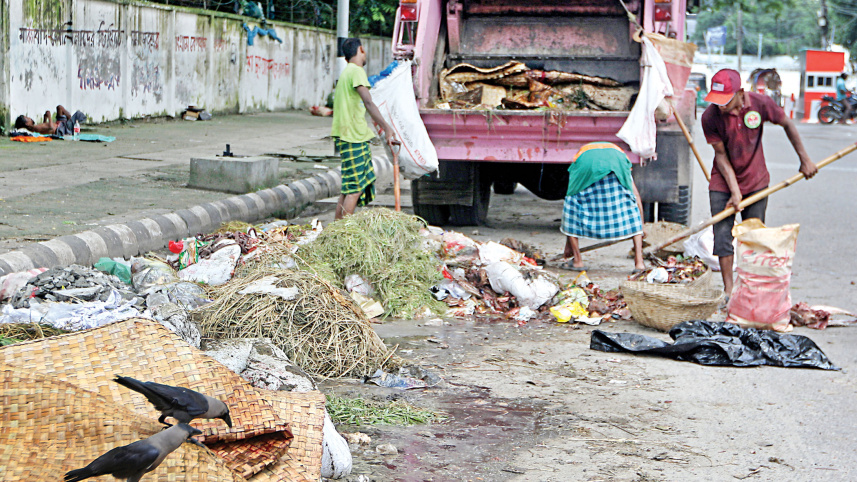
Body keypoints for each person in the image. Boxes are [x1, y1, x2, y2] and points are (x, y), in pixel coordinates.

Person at [702, 68, 817, 297]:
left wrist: (805, 160)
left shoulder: (760, 103)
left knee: (753, 236)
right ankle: (729, 291)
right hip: (723, 182)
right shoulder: (710, 117)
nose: (721, 106)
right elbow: (721, 156)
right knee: (722, 236)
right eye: (717, 100)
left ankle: (749, 288)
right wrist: (734, 192)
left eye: (726, 100)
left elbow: (787, 124)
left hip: (756, 180)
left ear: (740, 93)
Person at [331, 38, 398, 220]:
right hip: (353, 135)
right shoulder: (356, 71)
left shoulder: (347, 72)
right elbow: (368, 102)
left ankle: (336, 229)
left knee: (349, 188)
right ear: (361, 49)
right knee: (355, 189)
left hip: (347, 134)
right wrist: (387, 128)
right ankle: (344, 231)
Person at [560, 141, 646, 273]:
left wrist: (568, 246)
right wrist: (642, 226)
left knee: (571, 202)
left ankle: (577, 260)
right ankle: (639, 263)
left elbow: (571, 201)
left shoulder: (580, 159)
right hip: (616, 161)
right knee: (631, 202)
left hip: (586, 162)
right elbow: (636, 196)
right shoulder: (621, 160)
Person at [14, 105, 86, 136]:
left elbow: (44, 128)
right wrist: (49, 117)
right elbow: (51, 128)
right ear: (27, 123)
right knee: (78, 114)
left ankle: (69, 121)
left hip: (59, 124)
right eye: (27, 118)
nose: (30, 118)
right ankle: (70, 124)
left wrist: (45, 118)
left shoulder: (34, 127)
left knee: (59, 108)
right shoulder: (35, 127)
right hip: (61, 128)